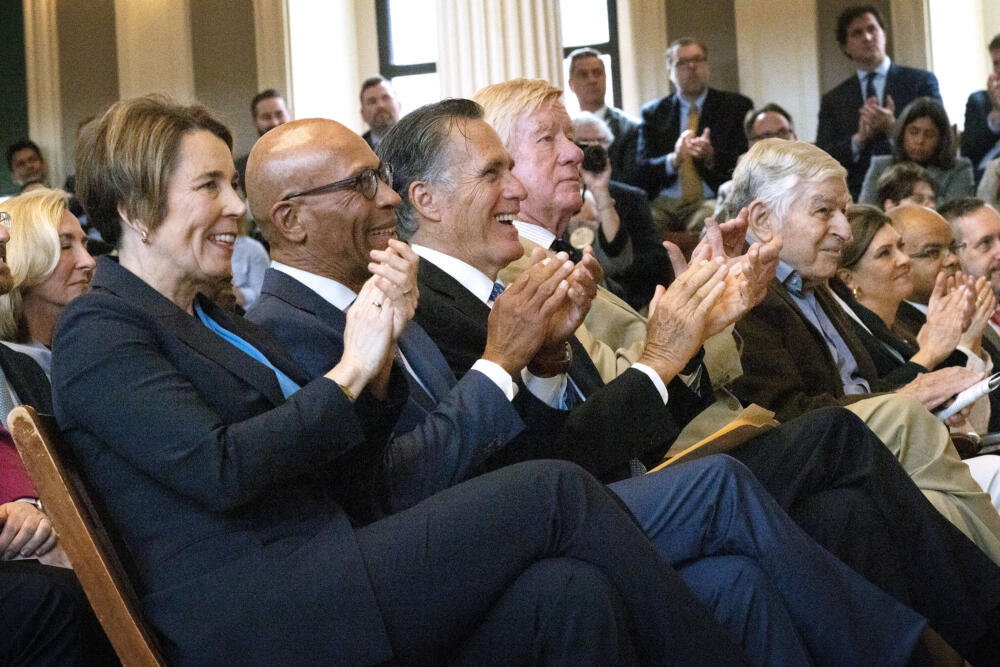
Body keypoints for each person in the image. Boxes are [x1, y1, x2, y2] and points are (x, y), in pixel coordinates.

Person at [55, 94, 778, 666]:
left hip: (329, 560)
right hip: (267, 611)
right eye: (209, 185)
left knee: (568, 593)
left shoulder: (211, 316)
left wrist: (379, 363)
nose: (237, 207)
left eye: (230, 182)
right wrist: (353, 369)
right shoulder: (101, 327)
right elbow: (222, 467)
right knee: (552, 488)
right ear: (133, 206)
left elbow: (334, 457)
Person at [388, 91, 1000, 664]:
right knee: (813, 448)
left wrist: (687, 328)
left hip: (636, 467)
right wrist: (663, 351)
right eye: (497, 171)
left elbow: (574, 428)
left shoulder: (518, 281)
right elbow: (528, 459)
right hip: (594, 501)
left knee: (829, 523)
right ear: (427, 200)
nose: (515, 189)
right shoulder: (436, 302)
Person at [728, 138, 1000, 569]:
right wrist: (909, 395)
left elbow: (868, 385)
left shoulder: (821, 286)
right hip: (833, 473)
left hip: (884, 456)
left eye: (844, 209)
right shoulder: (744, 298)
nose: (845, 229)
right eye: (824, 211)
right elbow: (784, 419)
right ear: (762, 220)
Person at [832, 205, 994, 428]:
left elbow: (964, 419)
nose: (903, 259)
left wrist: (967, 334)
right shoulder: (851, 336)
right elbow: (878, 410)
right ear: (848, 278)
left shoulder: (899, 327)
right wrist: (932, 352)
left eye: (900, 247)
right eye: (884, 253)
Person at [816, 5, 941, 198]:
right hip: (854, 192)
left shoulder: (921, 82)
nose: (867, 37)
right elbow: (823, 156)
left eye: (872, 29)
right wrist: (858, 140)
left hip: (915, 185)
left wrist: (894, 128)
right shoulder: (834, 99)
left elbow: (941, 134)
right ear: (845, 47)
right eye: (857, 33)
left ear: (883, 34)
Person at [634, 38, 753, 230]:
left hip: (710, 198)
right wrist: (673, 159)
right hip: (665, 201)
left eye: (698, 59)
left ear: (707, 65)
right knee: (645, 224)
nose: (691, 66)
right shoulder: (653, 113)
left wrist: (711, 156)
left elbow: (745, 159)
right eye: (682, 62)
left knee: (707, 221)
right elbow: (641, 169)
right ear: (669, 72)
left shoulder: (735, 107)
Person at [572, 113, 671, 309]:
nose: (594, 147)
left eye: (600, 141)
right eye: (584, 142)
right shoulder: (558, 197)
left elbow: (657, 262)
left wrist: (609, 268)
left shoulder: (632, 197)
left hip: (630, 299)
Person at [0, 189, 95, 375]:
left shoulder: (97, 345)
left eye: (85, 245)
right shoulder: (9, 370)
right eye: (65, 246)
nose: (89, 261)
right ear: (25, 258)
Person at [858, 97, 973, 206]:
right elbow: (865, 213)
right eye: (913, 132)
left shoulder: (959, 169)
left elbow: (955, 215)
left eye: (929, 135)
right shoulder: (880, 165)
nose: (920, 140)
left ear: (941, 140)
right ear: (902, 133)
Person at [566, 47, 639, 184]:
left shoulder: (630, 128)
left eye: (597, 73)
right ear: (571, 84)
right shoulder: (564, 131)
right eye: (583, 74)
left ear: (606, 78)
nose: (591, 80)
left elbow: (633, 179)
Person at [235, 89, 291, 192]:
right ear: (255, 122)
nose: (275, 122)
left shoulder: (312, 159)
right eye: (266, 117)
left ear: (289, 115)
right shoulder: (241, 170)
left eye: (279, 114)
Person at [962, 33, 1000, 183]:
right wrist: (996, 116)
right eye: (996, 63)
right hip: (986, 177)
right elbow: (969, 156)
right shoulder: (978, 101)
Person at [359, 76, 401, 149]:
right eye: (372, 101)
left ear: (399, 105)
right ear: (363, 114)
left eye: (386, 98)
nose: (380, 105)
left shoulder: (419, 142)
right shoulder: (355, 150)